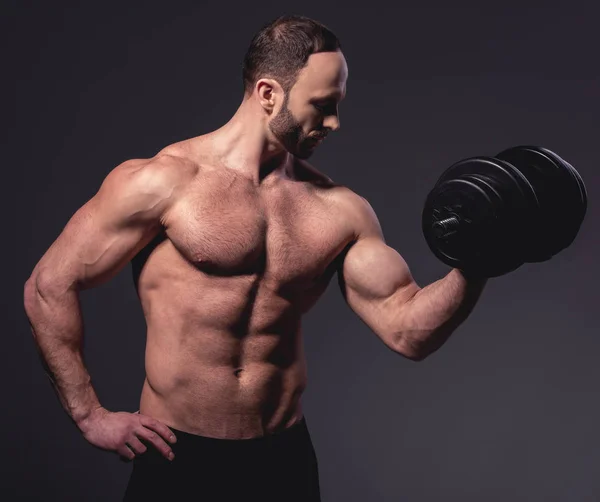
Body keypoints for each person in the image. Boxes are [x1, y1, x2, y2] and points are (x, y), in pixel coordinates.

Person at [23, 14, 487, 501]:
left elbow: (407, 330)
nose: (334, 123)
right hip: (179, 455)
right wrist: (89, 415)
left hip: (281, 458)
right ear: (268, 93)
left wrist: (478, 265)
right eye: (322, 106)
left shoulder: (341, 209)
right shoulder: (164, 182)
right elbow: (47, 286)